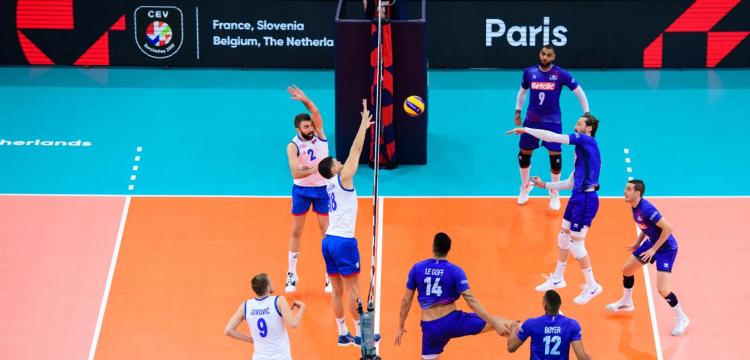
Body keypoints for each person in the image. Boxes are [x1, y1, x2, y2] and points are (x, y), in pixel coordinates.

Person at [507, 114, 603, 305]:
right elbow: (570, 182)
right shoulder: (582, 151)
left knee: (577, 244)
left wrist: (526, 130)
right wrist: (544, 185)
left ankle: (592, 286)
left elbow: (553, 137)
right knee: (563, 237)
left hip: (586, 199)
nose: (576, 125)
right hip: (577, 197)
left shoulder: (585, 140)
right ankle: (558, 278)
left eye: (580, 123)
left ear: (589, 128)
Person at [394, 232, 513, 359]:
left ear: (433, 246)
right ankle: (524, 328)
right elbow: (470, 299)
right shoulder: (455, 270)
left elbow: (406, 301)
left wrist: (401, 326)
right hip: (452, 321)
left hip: (430, 328)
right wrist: (494, 324)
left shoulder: (417, 268)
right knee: (499, 321)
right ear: (448, 250)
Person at [317, 99, 375, 346]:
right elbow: (356, 151)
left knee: (337, 290)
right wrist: (363, 124)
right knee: (354, 290)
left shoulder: (328, 185)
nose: (340, 162)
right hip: (343, 242)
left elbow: (350, 156)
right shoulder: (342, 179)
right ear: (333, 169)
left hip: (328, 241)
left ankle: (343, 333)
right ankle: (361, 333)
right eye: (336, 162)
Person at [606, 179, 689, 336]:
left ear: (637, 193)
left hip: (666, 248)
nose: (625, 191)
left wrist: (653, 250)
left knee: (662, 289)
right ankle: (627, 301)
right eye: (625, 188)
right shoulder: (634, 206)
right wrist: (637, 243)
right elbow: (646, 226)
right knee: (627, 270)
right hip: (651, 243)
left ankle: (682, 318)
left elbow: (668, 229)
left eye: (628, 189)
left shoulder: (646, 208)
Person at [513, 45, 590, 210]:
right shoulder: (529, 72)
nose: (545, 57)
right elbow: (522, 92)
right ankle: (525, 187)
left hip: (553, 122)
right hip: (531, 120)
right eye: (543, 54)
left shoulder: (561, 74)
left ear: (553, 57)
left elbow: (579, 92)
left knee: (555, 158)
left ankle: (554, 193)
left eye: (548, 55)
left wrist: (587, 113)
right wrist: (518, 111)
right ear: (539, 54)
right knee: (524, 154)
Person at [284, 85, 332, 294]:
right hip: (302, 190)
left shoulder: (319, 135)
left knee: (327, 232)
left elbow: (316, 113)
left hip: (322, 189)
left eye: (310, 125)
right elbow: (295, 173)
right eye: (306, 127)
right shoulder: (292, 146)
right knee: (296, 230)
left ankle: (330, 275)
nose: (310, 128)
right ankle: (292, 274)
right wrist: (316, 168)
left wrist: (305, 99)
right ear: (298, 129)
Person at [224, 273, 306, 360]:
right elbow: (294, 324)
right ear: (267, 288)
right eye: (270, 281)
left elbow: (228, 330)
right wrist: (302, 308)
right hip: (281, 357)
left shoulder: (246, 306)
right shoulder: (278, 301)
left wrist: (251, 340)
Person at [507, 290, 591, 359]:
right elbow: (582, 358)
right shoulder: (572, 325)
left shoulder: (531, 323)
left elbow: (511, 348)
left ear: (545, 306)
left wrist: (514, 328)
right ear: (559, 305)